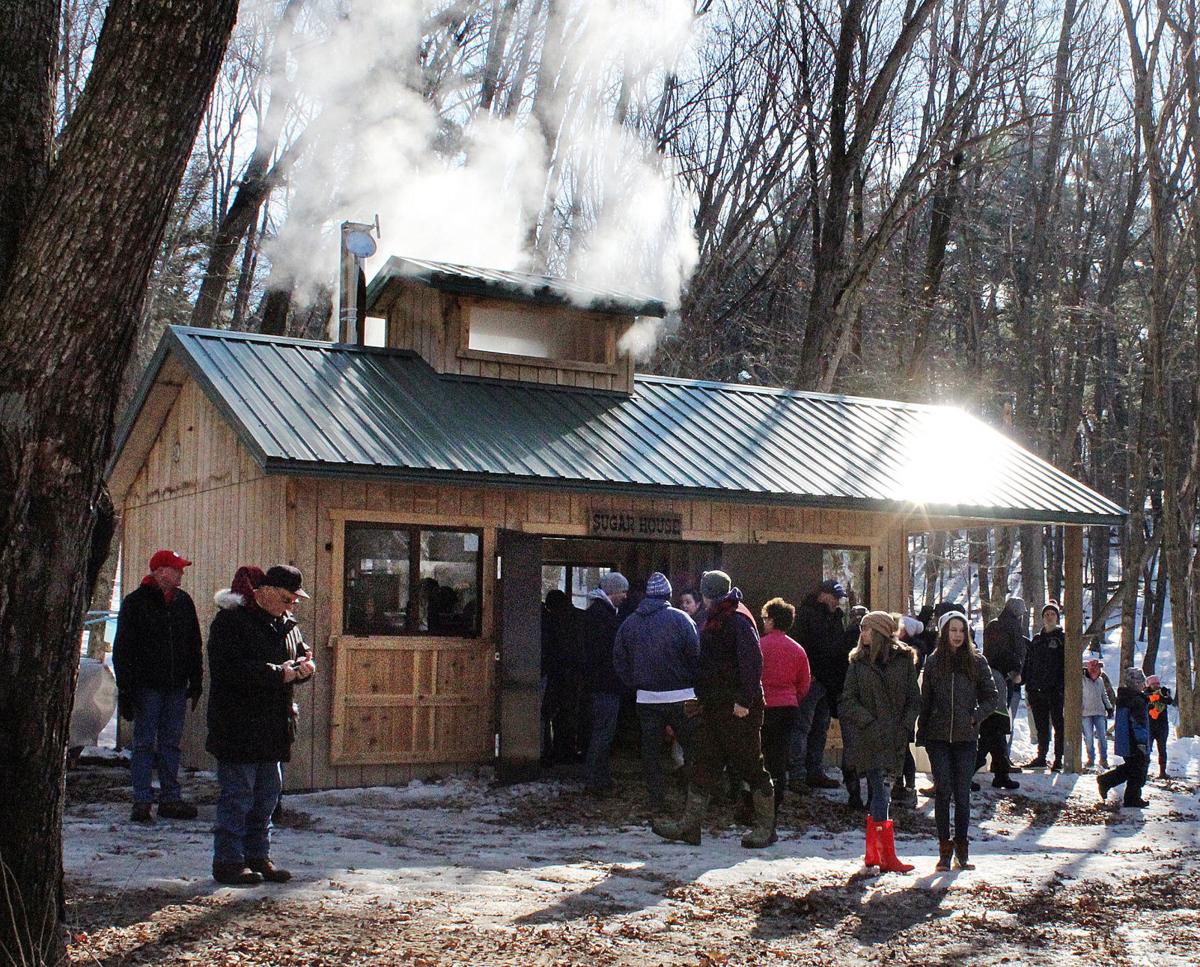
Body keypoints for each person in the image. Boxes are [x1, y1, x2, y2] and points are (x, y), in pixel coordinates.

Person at [207, 565, 315, 885]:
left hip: (273, 725)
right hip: (237, 724)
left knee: (267, 797)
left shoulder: (287, 625)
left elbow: (300, 656)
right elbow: (230, 670)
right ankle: (228, 860)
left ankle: (258, 855)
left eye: (295, 600)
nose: (291, 606)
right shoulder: (230, 622)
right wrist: (279, 673)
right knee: (238, 797)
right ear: (264, 592)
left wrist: (305, 668)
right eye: (287, 599)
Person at [653, 570, 776, 849]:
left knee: (750, 765)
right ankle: (689, 827)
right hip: (716, 706)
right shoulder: (722, 616)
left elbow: (752, 662)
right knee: (704, 763)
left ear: (708, 595)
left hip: (737, 709)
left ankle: (766, 828)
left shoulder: (735, 619)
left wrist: (744, 701)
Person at [113, 549, 204, 823]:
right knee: (143, 744)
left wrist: (196, 679)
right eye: (176, 569)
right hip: (147, 687)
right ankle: (142, 800)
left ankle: (169, 799)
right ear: (161, 571)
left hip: (176, 685)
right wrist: (126, 689)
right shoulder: (135, 603)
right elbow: (123, 649)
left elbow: (194, 644)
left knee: (170, 744)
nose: (181, 573)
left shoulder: (183, 602)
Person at [839, 611, 921, 874]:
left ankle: (874, 852)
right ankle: (886, 855)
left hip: (896, 738)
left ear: (881, 633)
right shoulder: (858, 663)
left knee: (882, 793)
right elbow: (847, 701)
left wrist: (905, 725)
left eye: (867, 629)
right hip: (870, 738)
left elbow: (914, 698)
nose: (862, 634)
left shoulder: (904, 660)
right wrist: (868, 722)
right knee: (881, 792)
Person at [917, 610, 1000, 872]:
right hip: (938, 736)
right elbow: (925, 700)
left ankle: (962, 849)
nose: (957, 635)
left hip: (966, 738)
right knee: (943, 791)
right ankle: (944, 850)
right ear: (944, 633)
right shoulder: (933, 662)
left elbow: (992, 697)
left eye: (961, 630)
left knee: (962, 794)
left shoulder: (977, 661)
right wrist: (922, 732)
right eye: (953, 630)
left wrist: (975, 716)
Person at [613, 572, 700, 815]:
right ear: (668, 595)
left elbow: (619, 659)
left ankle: (657, 800)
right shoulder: (682, 620)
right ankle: (693, 799)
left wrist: (635, 683)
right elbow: (696, 655)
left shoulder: (630, 623)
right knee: (692, 749)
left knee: (650, 752)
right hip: (683, 696)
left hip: (647, 698)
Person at [789, 579, 849, 792]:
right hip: (812, 681)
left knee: (820, 728)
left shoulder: (835, 618)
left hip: (827, 681)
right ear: (823, 595)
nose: (837, 602)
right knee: (802, 727)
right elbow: (798, 646)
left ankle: (813, 771)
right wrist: (806, 674)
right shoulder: (806, 615)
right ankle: (797, 774)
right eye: (834, 597)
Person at [758, 597, 811, 815]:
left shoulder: (759, 645)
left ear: (771, 620)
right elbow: (804, 683)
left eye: (764, 618)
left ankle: (757, 801)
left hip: (763, 707)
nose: (763, 622)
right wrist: (792, 697)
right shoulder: (798, 650)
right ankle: (777, 799)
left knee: (760, 755)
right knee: (780, 756)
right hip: (788, 707)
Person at [581, 572, 630, 795]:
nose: (625, 596)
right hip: (606, 684)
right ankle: (595, 780)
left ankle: (600, 778)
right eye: (623, 591)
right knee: (603, 733)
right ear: (613, 591)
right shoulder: (604, 617)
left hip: (599, 683)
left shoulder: (597, 614)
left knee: (602, 732)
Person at [982, 597, 1029, 759]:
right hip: (1006, 678)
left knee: (992, 718)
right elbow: (1018, 651)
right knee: (1001, 720)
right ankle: (996, 758)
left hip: (990, 676)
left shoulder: (992, 625)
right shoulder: (1014, 626)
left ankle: (998, 760)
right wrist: (1016, 671)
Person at [541, 590, 583, 765]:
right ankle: (569, 750)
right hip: (575, 673)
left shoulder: (553, 621)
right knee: (570, 714)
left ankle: (554, 751)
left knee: (551, 713)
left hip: (558, 673)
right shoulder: (580, 618)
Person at [1022, 602, 1066, 771]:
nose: (1049, 617)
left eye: (1052, 614)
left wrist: (1061, 686)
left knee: (1058, 726)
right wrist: (1026, 683)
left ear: (1057, 617)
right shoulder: (1037, 640)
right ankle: (1041, 757)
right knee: (1041, 726)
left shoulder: (1062, 639)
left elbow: (1067, 664)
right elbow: (1029, 663)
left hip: (1055, 690)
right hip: (1036, 690)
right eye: (1046, 614)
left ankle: (1058, 759)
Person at [1098, 667, 1150, 808]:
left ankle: (1108, 782)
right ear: (1136, 683)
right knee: (1137, 770)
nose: (1143, 685)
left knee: (1132, 768)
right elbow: (1138, 724)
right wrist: (1142, 742)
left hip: (1125, 740)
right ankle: (1130, 797)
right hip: (1134, 741)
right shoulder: (1136, 700)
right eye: (1142, 682)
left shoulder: (1124, 697)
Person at [975, 662, 1018, 790]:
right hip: (994, 714)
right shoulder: (994, 672)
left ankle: (1002, 776)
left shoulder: (992, 672)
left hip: (993, 713)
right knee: (988, 746)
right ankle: (963, 778)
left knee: (997, 747)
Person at [1081, 658, 1116, 770]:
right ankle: (1091, 759)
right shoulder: (1082, 680)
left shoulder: (1100, 680)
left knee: (1102, 737)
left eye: (1098, 668)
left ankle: (1104, 760)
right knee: (1088, 738)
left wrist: (1109, 707)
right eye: (1094, 668)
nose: (1096, 670)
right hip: (1085, 713)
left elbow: (1104, 695)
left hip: (1100, 713)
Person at [1145, 675, 1173, 779]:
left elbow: (1169, 701)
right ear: (1149, 685)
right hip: (1150, 726)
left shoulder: (1163, 692)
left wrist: (1161, 696)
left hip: (1162, 726)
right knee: (1147, 749)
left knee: (1162, 749)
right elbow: (1146, 702)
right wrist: (1154, 698)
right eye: (1153, 684)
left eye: (1157, 683)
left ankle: (1162, 772)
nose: (1156, 685)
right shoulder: (1145, 694)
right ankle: (1144, 771)